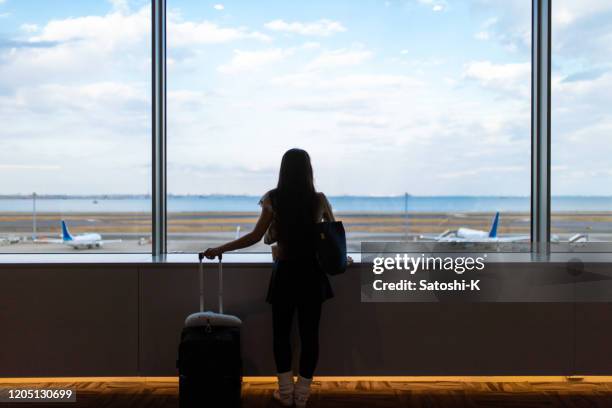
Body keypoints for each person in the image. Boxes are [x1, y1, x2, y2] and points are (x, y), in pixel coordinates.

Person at [201, 148, 336, 408]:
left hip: (285, 273)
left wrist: (220, 249)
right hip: (311, 274)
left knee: (281, 335)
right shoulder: (318, 200)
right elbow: (333, 232)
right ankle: (302, 395)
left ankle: (285, 393)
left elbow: (254, 237)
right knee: (310, 337)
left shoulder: (273, 199)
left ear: (283, 170)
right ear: (309, 170)